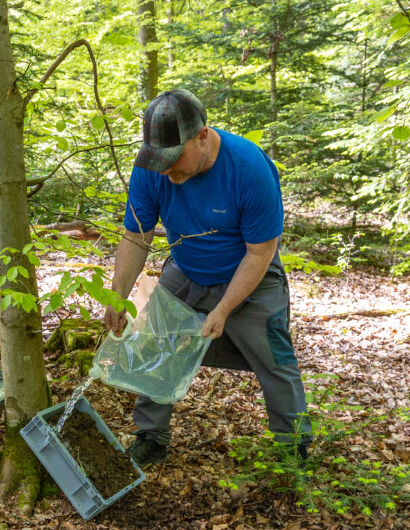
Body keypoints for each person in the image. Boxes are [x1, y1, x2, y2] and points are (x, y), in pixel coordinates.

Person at [104, 89, 311, 468]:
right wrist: (118, 294)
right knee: (156, 344)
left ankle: (291, 448)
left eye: (174, 159)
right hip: (187, 267)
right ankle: (151, 437)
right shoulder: (152, 170)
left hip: (249, 271)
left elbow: (260, 252)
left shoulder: (247, 167)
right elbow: (137, 234)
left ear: (202, 136)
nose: (166, 170)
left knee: (275, 358)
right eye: (158, 161)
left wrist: (224, 308)